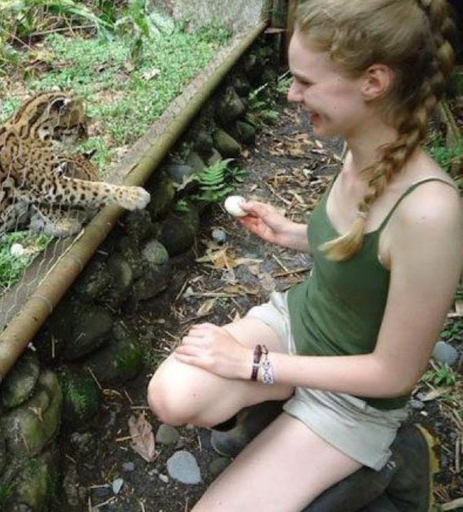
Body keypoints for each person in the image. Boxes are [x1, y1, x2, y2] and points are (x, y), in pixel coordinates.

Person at [146, 0, 462, 510]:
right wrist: (293, 232)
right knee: (172, 396)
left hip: (354, 400)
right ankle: (280, 415)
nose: (293, 95)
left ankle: (391, 464)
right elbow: (364, 251)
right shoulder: (359, 141)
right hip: (299, 327)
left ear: (373, 82)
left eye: (306, 83)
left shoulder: (431, 212)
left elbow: (394, 374)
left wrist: (256, 366)